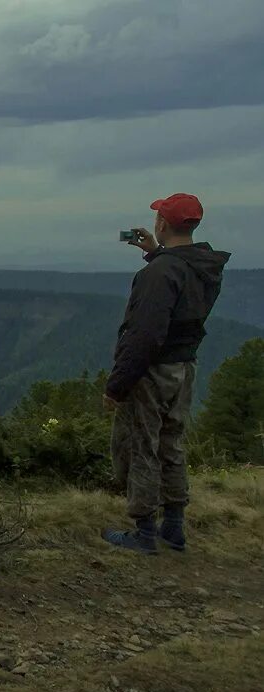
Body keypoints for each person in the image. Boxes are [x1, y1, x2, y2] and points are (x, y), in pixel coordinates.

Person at [101, 193, 230, 554]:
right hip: (183, 368)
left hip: (153, 372)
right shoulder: (204, 266)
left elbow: (145, 335)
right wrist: (157, 251)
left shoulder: (158, 273)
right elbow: (182, 297)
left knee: (142, 445)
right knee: (172, 443)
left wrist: (117, 385)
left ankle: (144, 532)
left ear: (162, 222)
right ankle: (173, 527)